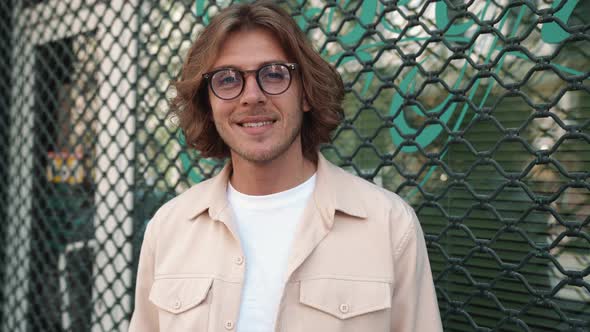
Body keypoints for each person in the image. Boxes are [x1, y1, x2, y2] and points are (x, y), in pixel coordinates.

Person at [129, 1, 443, 331]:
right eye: (226, 79)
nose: (251, 96)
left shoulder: (390, 225)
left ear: (306, 94)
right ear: (208, 104)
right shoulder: (168, 228)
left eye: (274, 74)